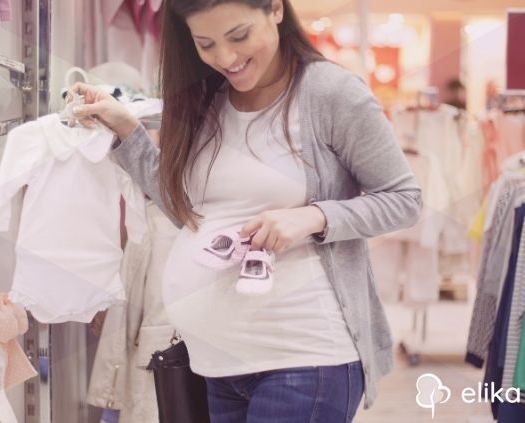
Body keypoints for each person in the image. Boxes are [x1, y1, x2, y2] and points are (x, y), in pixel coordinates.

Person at [70, 0, 422, 421]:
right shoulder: (207, 98)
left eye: (238, 37)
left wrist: (314, 218)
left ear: (275, 9)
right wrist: (125, 127)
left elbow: (404, 200)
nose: (226, 58)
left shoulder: (329, 93)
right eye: (206, 44)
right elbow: (190, 213)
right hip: (217, 364)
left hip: (302, 360)